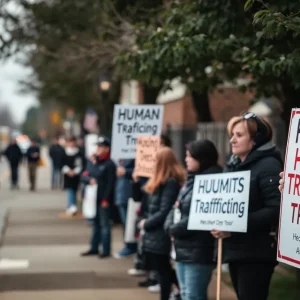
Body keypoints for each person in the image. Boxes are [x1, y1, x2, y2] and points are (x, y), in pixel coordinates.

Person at [211, 112, 282, 300]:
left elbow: (275, 210)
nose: (232, 140)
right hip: (236, 250)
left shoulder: (269, 166)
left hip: (257, 252)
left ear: (256, 139)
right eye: (232, 135)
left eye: (239, 135)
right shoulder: (234, 165)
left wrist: (234, 226)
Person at [165, 139, 222, 300]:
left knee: (193, 295)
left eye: (190, 156)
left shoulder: (213, 182)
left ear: (202, 158)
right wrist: (170, 225)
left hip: (199, 250)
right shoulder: (191, 179)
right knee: (185, 293)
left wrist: (173, 229)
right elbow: (176, 205)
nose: (186, 160)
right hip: (183, 248)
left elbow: (201, 215)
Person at [139, 147, 185, 300]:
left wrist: (146, 223)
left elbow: (164, 211)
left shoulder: (170, 183)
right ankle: (179, 289)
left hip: (160, 233)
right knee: (162, 269)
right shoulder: (160, 181)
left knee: (163, 270)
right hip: (155, 233)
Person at [81, 136, 116, 258]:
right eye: (98, 147)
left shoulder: (109, 164)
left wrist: (106, 199)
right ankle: (94, 247)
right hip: (92, 199)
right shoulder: (93, 161)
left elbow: (110, 183)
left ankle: (106, 250)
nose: (98, 149)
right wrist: (89, 179)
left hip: (103, 199)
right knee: (95, 224)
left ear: (107, 149)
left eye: (101, 147)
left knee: (105, 225)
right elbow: (84, 175)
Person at [114, 159, 137, 259]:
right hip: (121, 194)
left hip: (129, 193)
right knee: (125, 224)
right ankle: (128, 246)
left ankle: (131, 247)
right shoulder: (120, 159)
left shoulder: (132, 157)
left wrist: (126, 172)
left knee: (129, 224)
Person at [62, 137, 83, 215]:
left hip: (76, 175)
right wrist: (67, 170)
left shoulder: (79, 153)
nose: (71, 144)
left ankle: (72, 205)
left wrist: (75, 171)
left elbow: (81, 163)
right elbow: (61, 162)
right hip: (67, 175)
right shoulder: (64, 152)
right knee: (69, 190)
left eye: (72, 142)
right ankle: (71, 205)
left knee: (74, 190)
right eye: (69, 142)